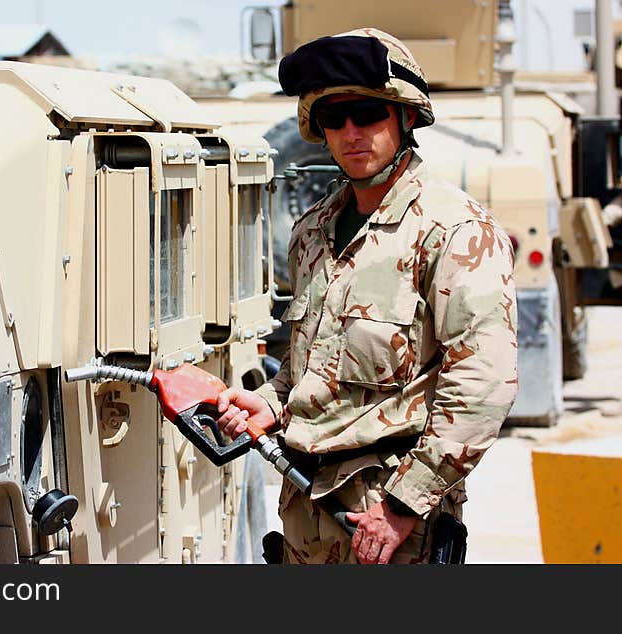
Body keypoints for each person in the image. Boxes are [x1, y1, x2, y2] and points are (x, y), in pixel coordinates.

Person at [215, 28, 519, 564]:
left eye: (367, 113)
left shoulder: (455, 231)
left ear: (404, 118)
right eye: (335, 117)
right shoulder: (313, 231)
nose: (351, 132)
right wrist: (267, 403)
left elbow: (483, 385)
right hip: (304, 515)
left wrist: (403, 505)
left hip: (392, 528)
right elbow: (308, 367)